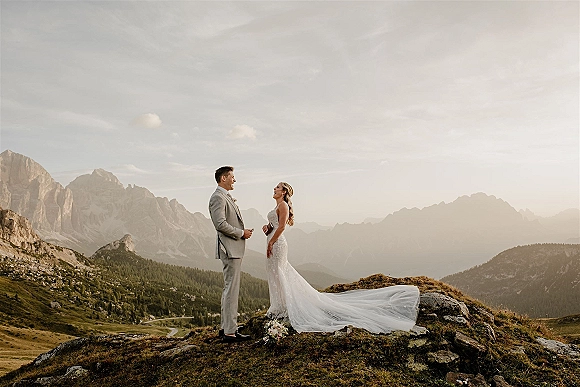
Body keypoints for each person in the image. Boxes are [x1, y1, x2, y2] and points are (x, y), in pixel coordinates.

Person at [262, 182, 420, 333]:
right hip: (273, 240)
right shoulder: (277, 206)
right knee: (275, 273)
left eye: (277, 187)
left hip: (277, 244)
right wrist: (268, 227)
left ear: (283, 192)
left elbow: (282, 226)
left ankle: (284, 307)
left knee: (279, 272)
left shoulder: (283, 205)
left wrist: (271, 243)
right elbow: (276, 224)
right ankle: (279, 305)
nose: (274, 189)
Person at [209, 166, 253, 342]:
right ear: (223, 178)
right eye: (232, 177)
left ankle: (227, 327)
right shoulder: (218, 197)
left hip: (232, 248)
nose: (235, 180)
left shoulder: (223, 196)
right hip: (230, 248)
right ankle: (229, 333)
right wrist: (242, 233)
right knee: (231, 290)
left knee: (229, 289)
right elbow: (220, 224)